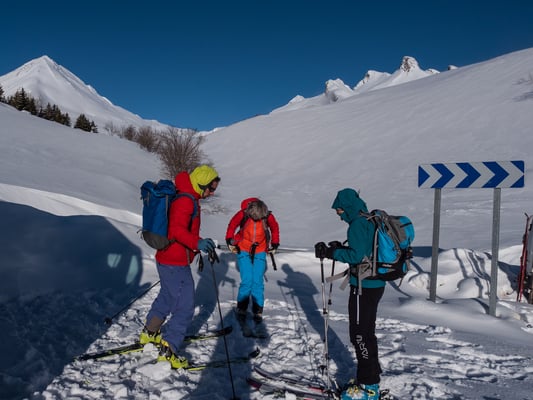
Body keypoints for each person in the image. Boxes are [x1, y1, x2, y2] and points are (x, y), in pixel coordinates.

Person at [139, 164, 220, 369]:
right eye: (210, 188)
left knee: (167, 296)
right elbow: (176, 230)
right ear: (201, 183)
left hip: (166, 258)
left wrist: (198, 242)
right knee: (184, 306)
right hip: (175, 262)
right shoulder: (186, 200)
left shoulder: (185, 195)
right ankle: (169, 350)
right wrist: (197, 243)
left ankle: (150, 333)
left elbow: (181, 229)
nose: (211, 193)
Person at [314, 188, 384, 400]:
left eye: (339, 210)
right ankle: (369, 378)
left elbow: (356, 255)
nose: (339, 214)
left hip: (364, 286)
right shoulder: (369, 219)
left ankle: (369, 388)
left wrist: (330, 252)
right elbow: (364, 250)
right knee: (366, 333)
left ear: (346, 207)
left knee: (360, 335)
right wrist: (338, 248)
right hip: (375, 283)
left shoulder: (357, 224)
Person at [225, 197, 280, 323]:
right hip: (243, 247)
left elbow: (275, 227)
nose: (256, 220)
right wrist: (229, 240)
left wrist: (275, 243)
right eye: (253, 217)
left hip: (260, 249)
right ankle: (242, 307)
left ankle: (257, 309)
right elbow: (232, 224)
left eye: (258, 218)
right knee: (247, 279)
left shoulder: (267, 216)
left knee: (257, 280)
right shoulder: (242, 214)